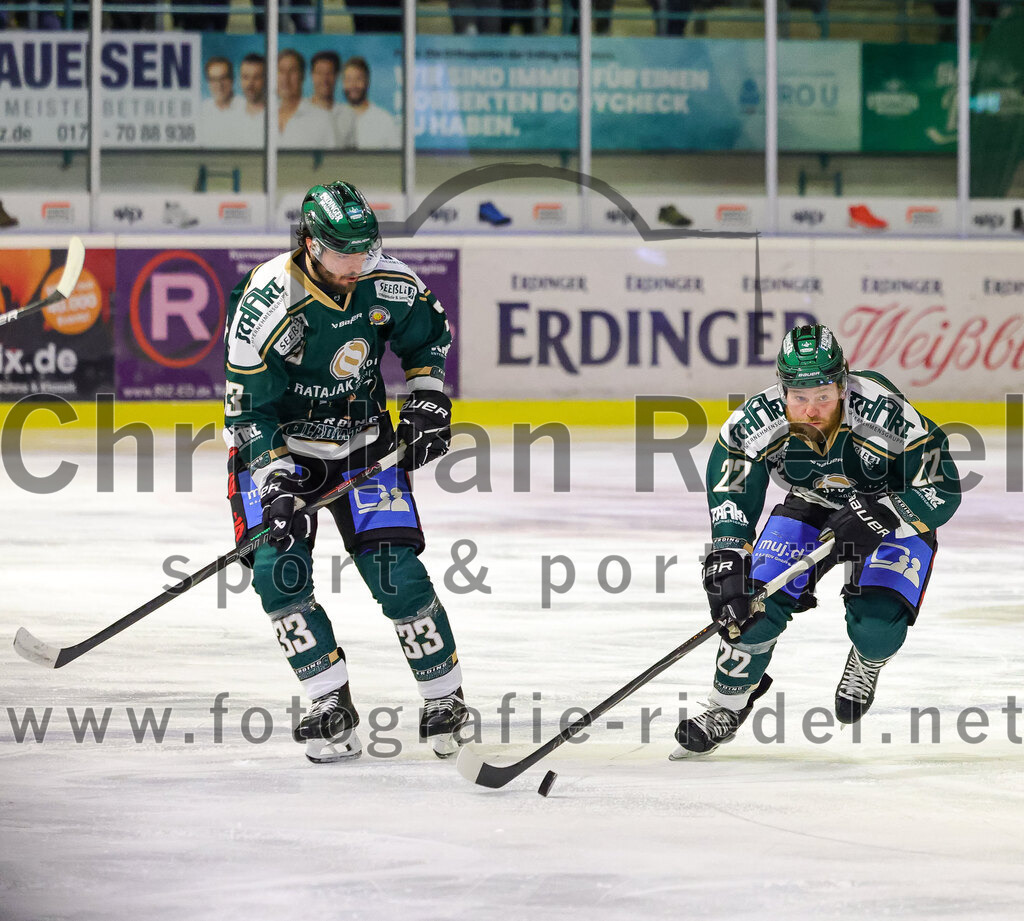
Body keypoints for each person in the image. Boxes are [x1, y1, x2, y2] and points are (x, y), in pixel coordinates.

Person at [223, 181, 468, 764]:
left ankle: (445, 697)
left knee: (397, 573)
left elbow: (427, 340)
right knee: (276, 573)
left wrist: (429, 399)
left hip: (363, 446)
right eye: (341, 254)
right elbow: (247, 410)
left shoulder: (386, 281)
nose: (355, 266)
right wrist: (275, 481)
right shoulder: (266, 303)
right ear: (309, 243)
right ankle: (327, 700)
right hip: (283, 449)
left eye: (364, 251)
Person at [672, 324, 961, 758]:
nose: (811, 410)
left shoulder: (886, 413)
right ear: (782, 387)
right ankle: (726, 706)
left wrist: (884, 512)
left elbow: (943, 487)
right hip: (811, 504)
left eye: (823, 395)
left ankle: (868, 659)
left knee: (877, 626)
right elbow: (732, 481)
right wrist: (730, 552)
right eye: (799, 396)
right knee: (751, 601)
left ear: (843, 384)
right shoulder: (759, 419)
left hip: (888, 512)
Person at [277, 48, 336, 149]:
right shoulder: (263, 116)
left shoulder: (322, 119)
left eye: (292, 71)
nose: (285, 78)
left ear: (303, 76)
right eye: (281, 71)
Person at [342, 56, 401, 150]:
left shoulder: (384, 120)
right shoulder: (334, 119)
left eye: (358, 79)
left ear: (367, 81)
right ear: (343, 83)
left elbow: (396, 160)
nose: (353, 85)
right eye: (349, 80)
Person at [309, 50, 356, 148]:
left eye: (329, 73)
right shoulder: (300, 112)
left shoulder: (348, 114)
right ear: (312, 75)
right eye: (320, 73)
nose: (324, 79)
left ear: (337, 76)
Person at [200, 56, 249, 148]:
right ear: (208, 82)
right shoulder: (203, 109)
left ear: (232, 79)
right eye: (213, 79)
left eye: (223, 78)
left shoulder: (246, 107)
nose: (219, 85)